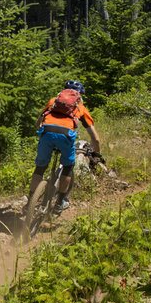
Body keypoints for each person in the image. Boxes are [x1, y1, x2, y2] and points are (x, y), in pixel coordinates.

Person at [28, 80, 102, 213]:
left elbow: (38, 122)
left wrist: (45, 134)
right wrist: (98, 153)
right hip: (65, 135)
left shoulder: (53, 101)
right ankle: (59, 203)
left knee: (40, 168)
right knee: (68, 167)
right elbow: (95, 138)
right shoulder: (80, 108)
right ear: (80, 95)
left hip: (47, 131)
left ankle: (30, 201)